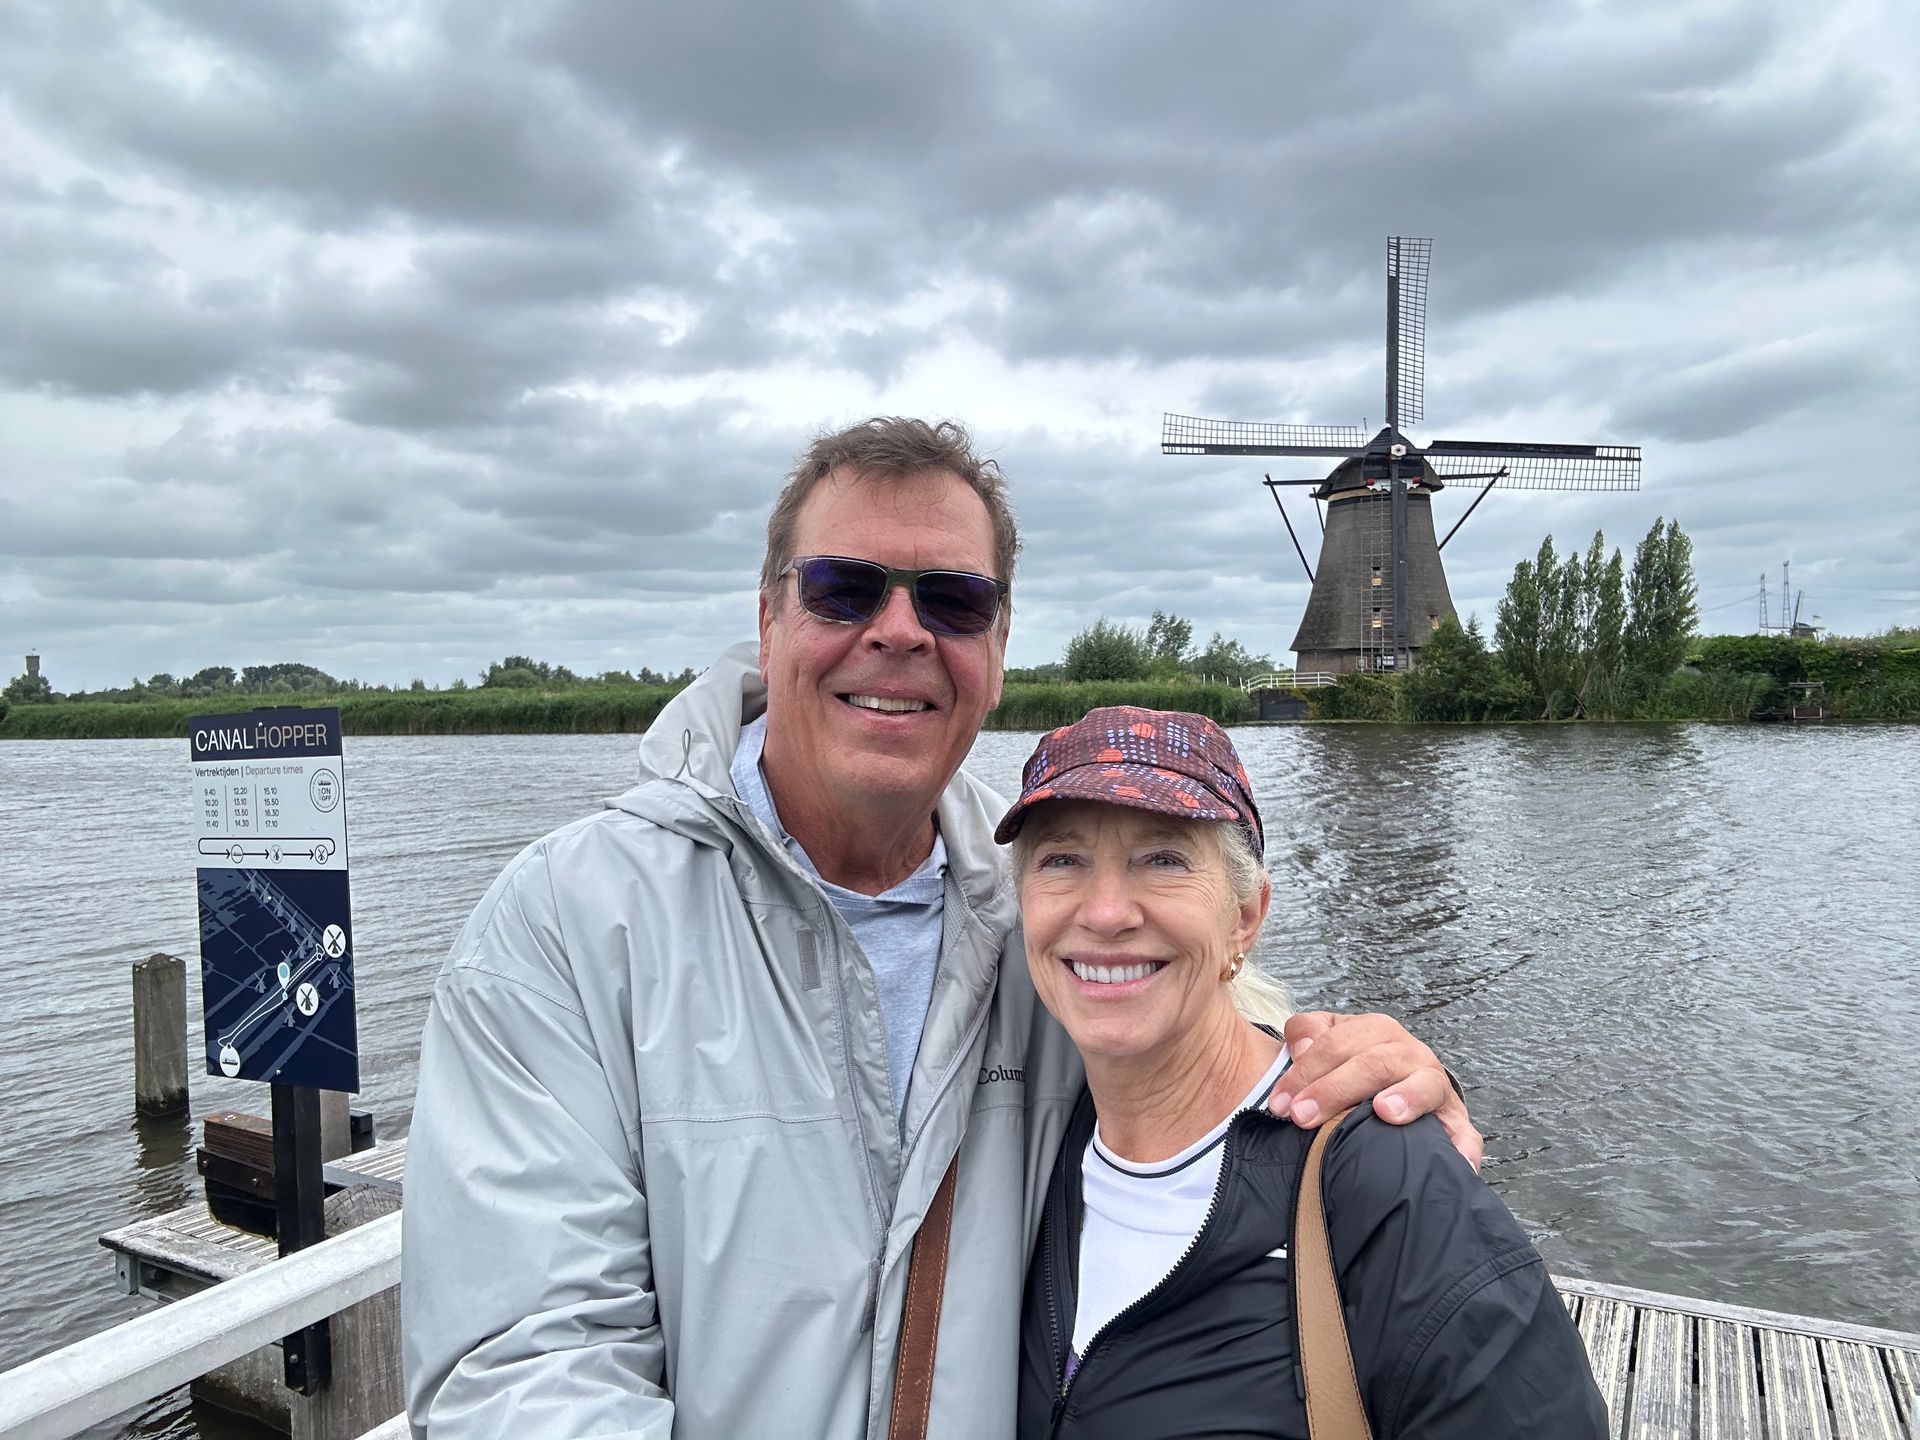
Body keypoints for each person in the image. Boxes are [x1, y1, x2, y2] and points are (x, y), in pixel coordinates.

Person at [402, 418, 1479, 1440]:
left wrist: (1378, 1081)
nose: (901, 631)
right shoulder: (568, 926)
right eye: (844, 588)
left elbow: (1222, 1050)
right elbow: (525, 1364)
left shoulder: (1046, 924)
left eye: (955, 602)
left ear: (998, 645)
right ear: (771, 615)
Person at [999, 707, 1605, 1438]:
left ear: (1245, 916)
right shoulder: (1026, 1143)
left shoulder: (1382, 1180)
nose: (1104, 911)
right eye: (1061, 860)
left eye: (1163, 859)